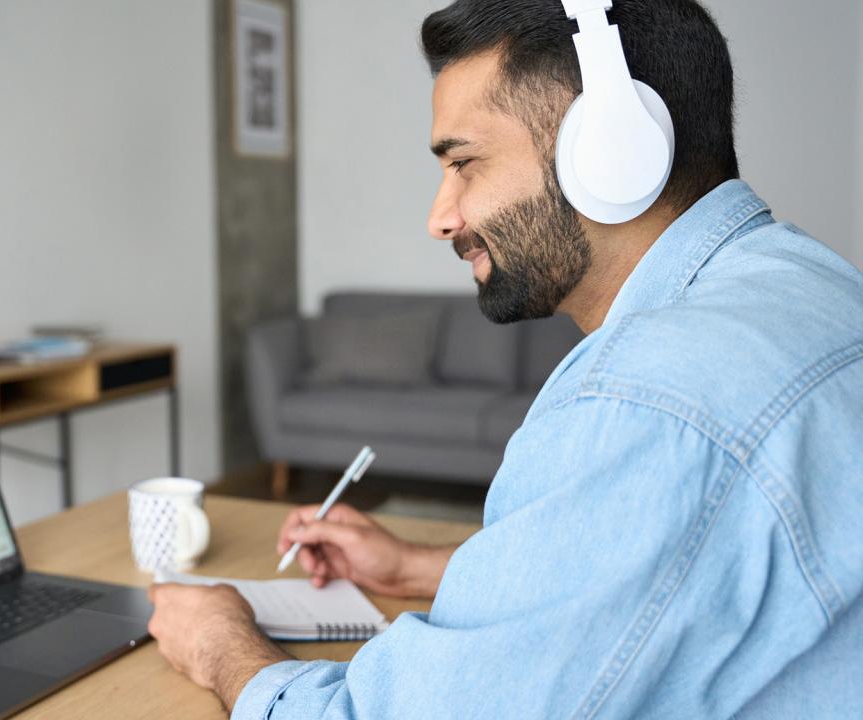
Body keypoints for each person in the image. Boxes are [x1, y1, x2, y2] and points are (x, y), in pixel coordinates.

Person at [147, 0, 863, 717]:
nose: (441, 217)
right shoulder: (818, 283)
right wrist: (417, 568)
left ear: (610, 151)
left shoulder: (647, 397)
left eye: (464, 163)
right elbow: (677, 570)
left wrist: (222, 645)